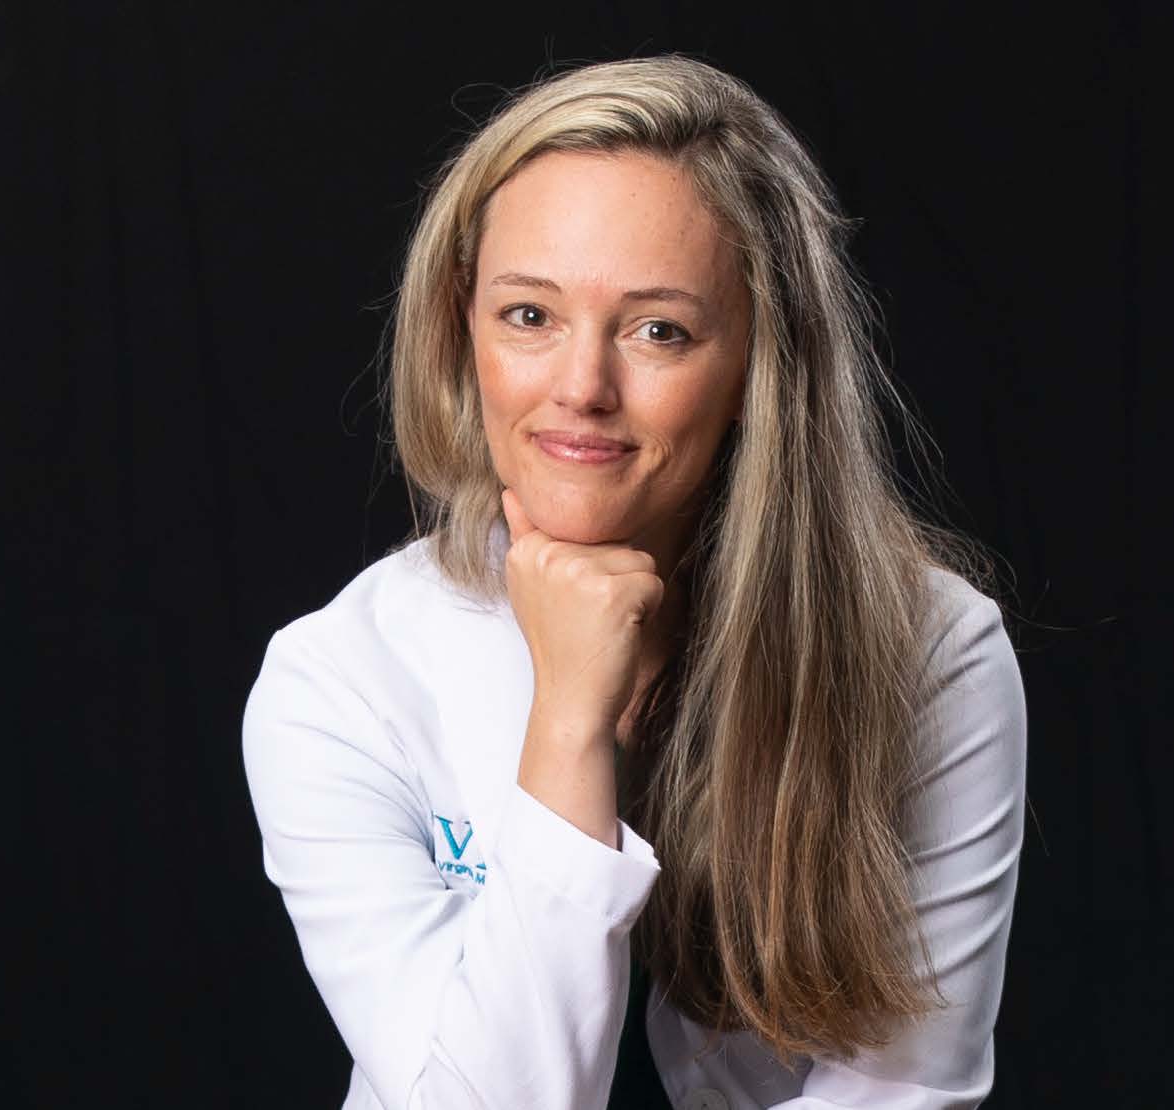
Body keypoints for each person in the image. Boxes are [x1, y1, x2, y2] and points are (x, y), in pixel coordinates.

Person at [241, 56, 1028, 1110]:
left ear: (759, 363)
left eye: (659, 330)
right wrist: (569, 720)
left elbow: (901, 1098)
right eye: (528, 315)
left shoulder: (932, 654)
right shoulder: (339, 682)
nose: (580, 388)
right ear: (458, 329)